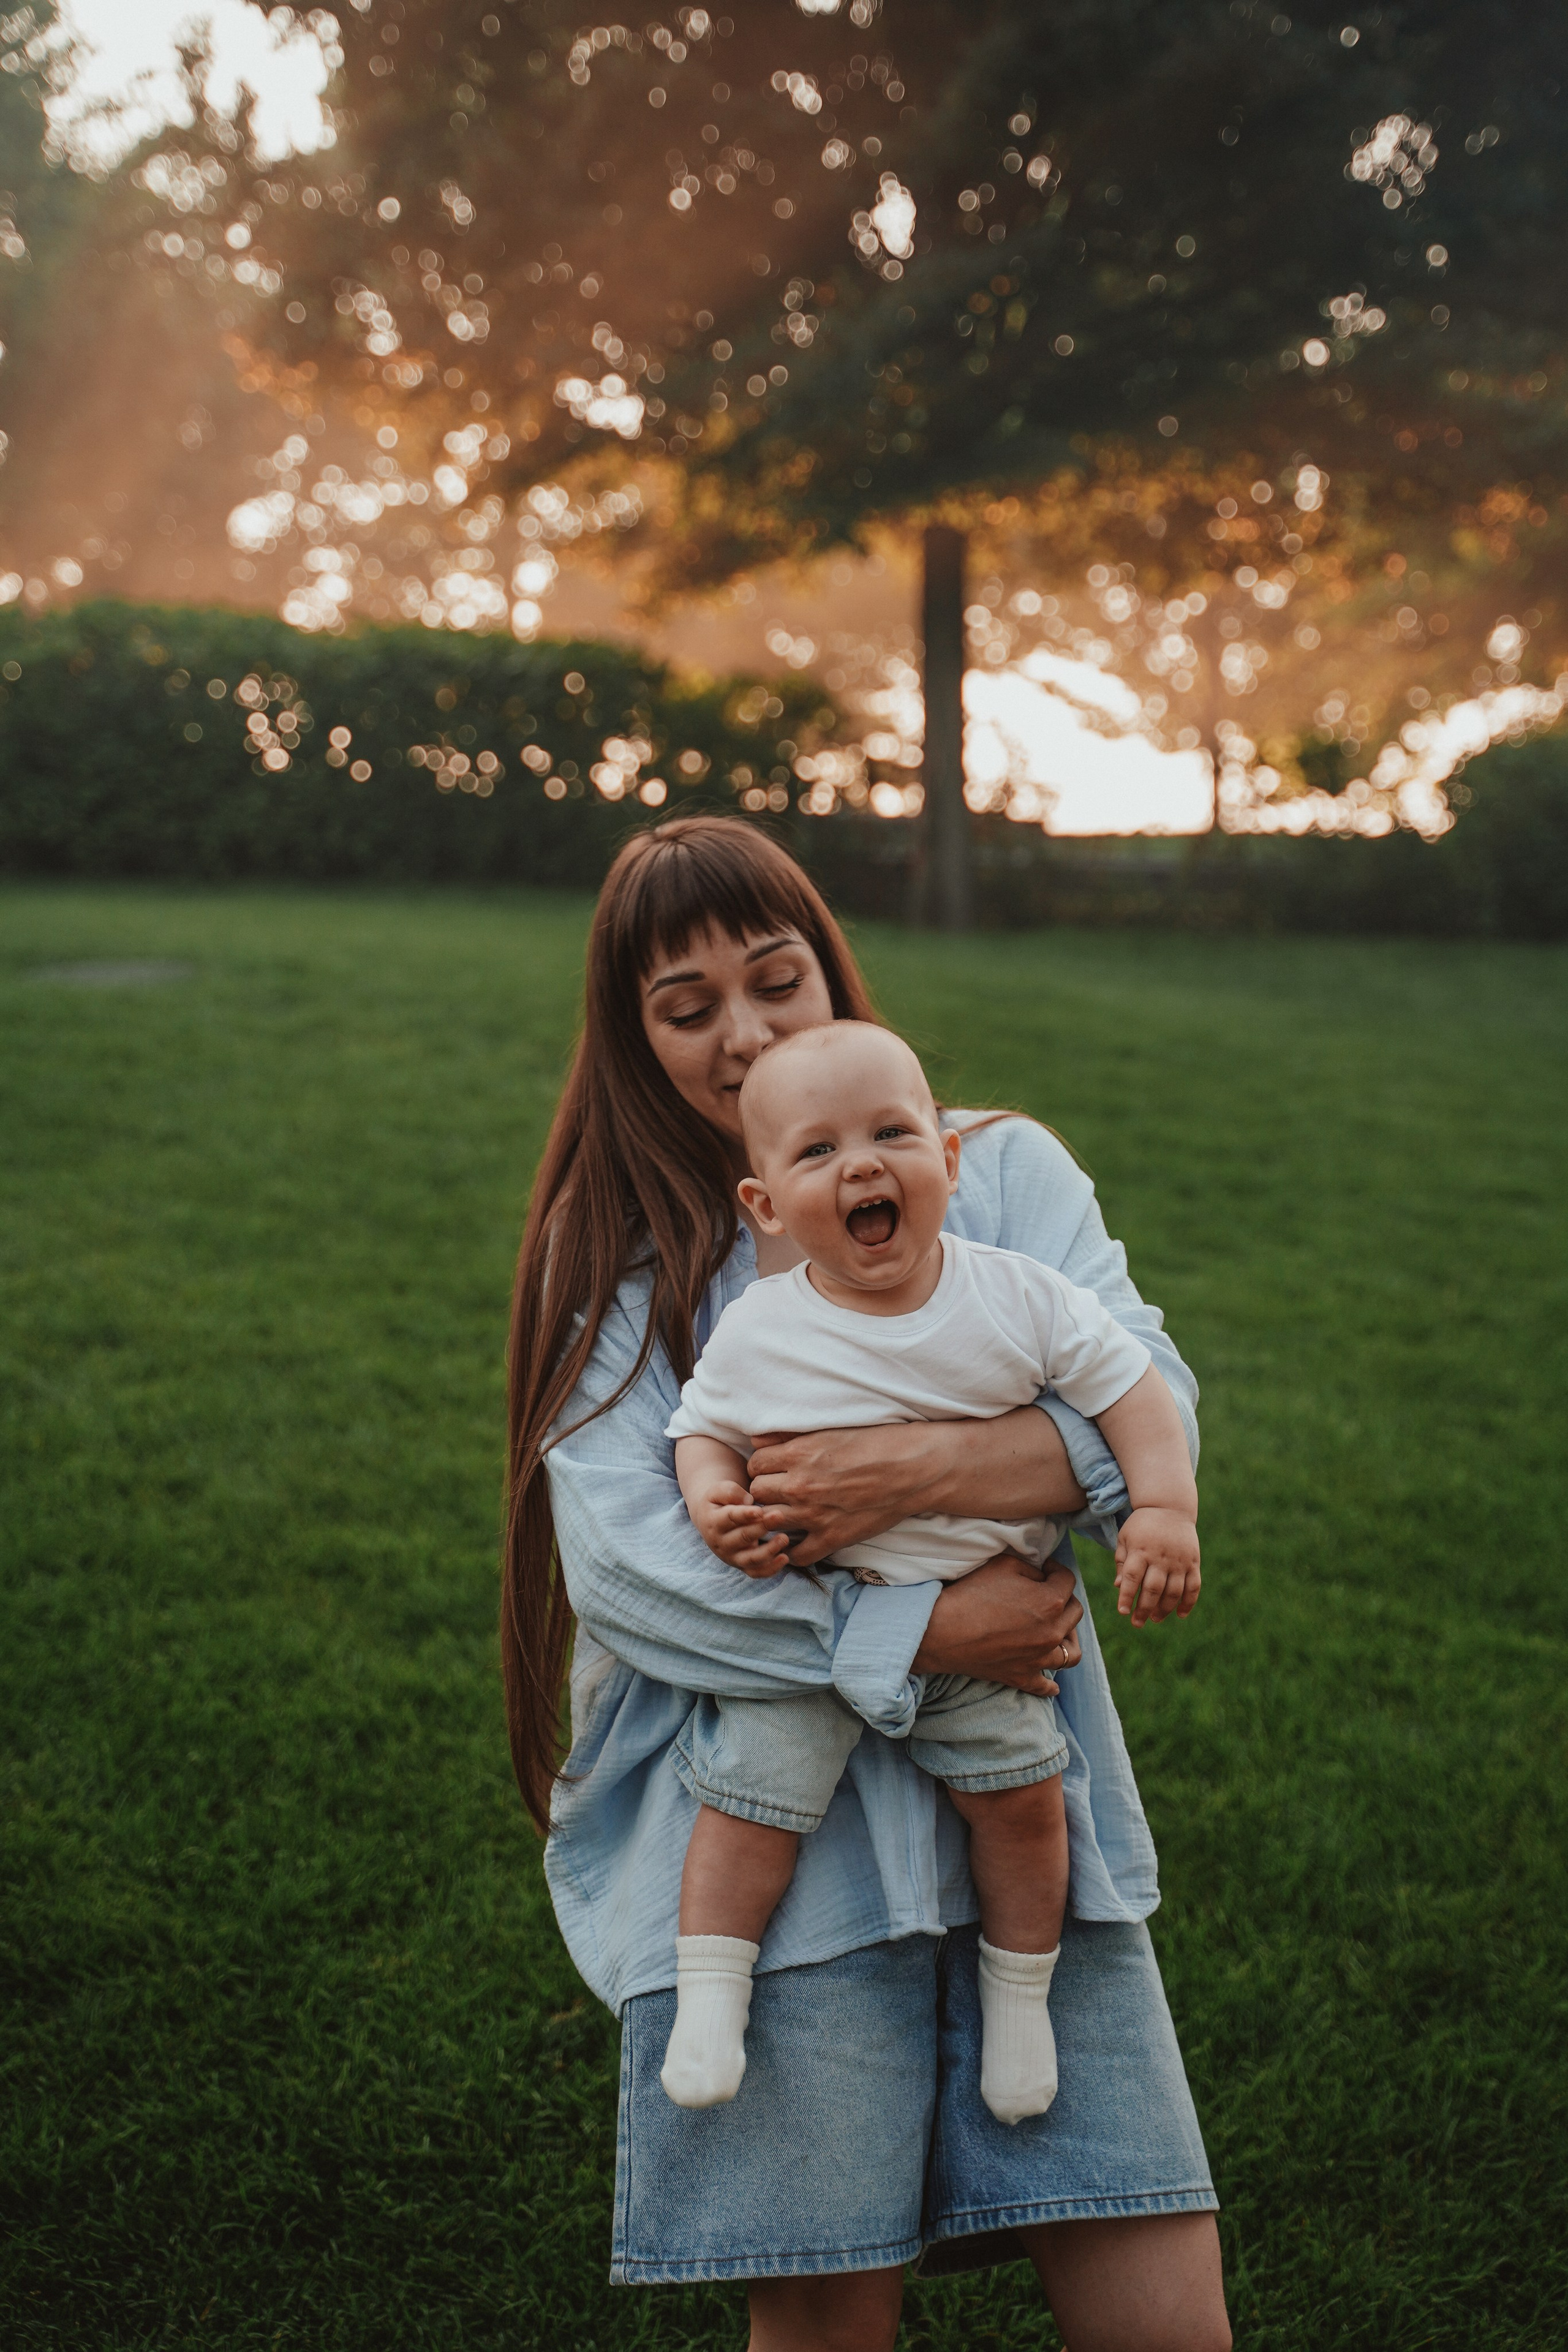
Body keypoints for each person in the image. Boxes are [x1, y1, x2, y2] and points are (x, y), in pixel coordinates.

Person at [503, 816, 1231, 2352]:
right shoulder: (618, 1254)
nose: (745, 1030)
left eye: (774, 979)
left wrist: (902, 1479)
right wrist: (922, 1621)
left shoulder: (992, 1169)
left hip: (1027, 1820)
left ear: (831, 967)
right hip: (782, 1855)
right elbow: (639, 1577)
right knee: (826, 2310)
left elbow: (1140, 1404)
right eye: (684, 1006)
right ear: (632, 1041)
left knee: (1154, 2288)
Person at [662, 1020, 1202, 2125]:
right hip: (824, 1619)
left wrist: (1165, 1508)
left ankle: (1020, 2004)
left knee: (1024, 1810)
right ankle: (708, 1998)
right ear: (766, 1208)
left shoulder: (1017, 1298)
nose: (862, 1166)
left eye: (893, 1134)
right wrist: (713, 1495)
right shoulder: (764, 1325)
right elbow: (700, 1429)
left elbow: (1133, 1391)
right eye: (816, 1154)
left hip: (987, 1627)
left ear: (949, 1163)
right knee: (749, 1804)